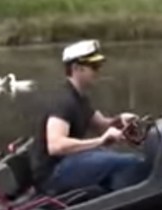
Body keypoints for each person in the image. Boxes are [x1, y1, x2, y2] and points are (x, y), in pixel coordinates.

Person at [29, 39, 150, 196]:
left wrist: (120, 121)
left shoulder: (80, 98)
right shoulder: (63, 100)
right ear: (76, 68)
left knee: (127, 159)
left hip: (68, 163)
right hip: (53, 174)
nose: (98, 71)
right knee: (128, 164)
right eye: (93, 67)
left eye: (98, 66)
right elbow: (56, 146)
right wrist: (100, 141)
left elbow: (103, 125)